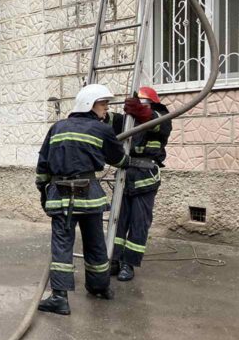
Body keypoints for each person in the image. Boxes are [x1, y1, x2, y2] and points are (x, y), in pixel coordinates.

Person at [35, 84, 155, 315]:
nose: (106, 110)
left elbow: (43, 162)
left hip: (61, 196)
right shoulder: (101, 130)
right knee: (95, 242)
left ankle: (59, 297)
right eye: (103, 104)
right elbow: (118, 160)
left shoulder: (57, 127)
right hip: (89, 195)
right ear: (89, 105)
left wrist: (42, 187)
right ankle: (100, 287)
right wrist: (134, 162)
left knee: (62, 245)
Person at [105, 86, 171, 282]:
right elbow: (108, 121)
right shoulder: (127, 120)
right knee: (118, 220)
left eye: (142, 103)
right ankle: (114, 259)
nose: (138, 107)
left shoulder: (163, 117)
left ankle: (129, 263)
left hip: (145, 177)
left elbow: (152, 120)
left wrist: (140, 110)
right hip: (124, 174)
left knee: (139, 222)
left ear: (152, 103)